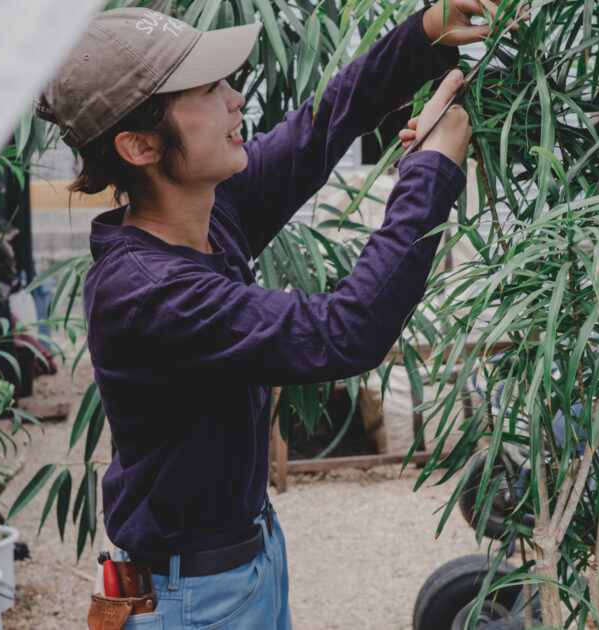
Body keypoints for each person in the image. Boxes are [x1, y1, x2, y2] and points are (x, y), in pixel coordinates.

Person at [35, 1, 516, 627]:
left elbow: (320, 127)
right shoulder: (149, 291)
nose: (236, 100)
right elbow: (345, 333)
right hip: (194, 599)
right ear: (140, 144)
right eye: (208, 90)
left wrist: (426, 31)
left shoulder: (208, 210)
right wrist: (429, 172)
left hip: (241, 559)